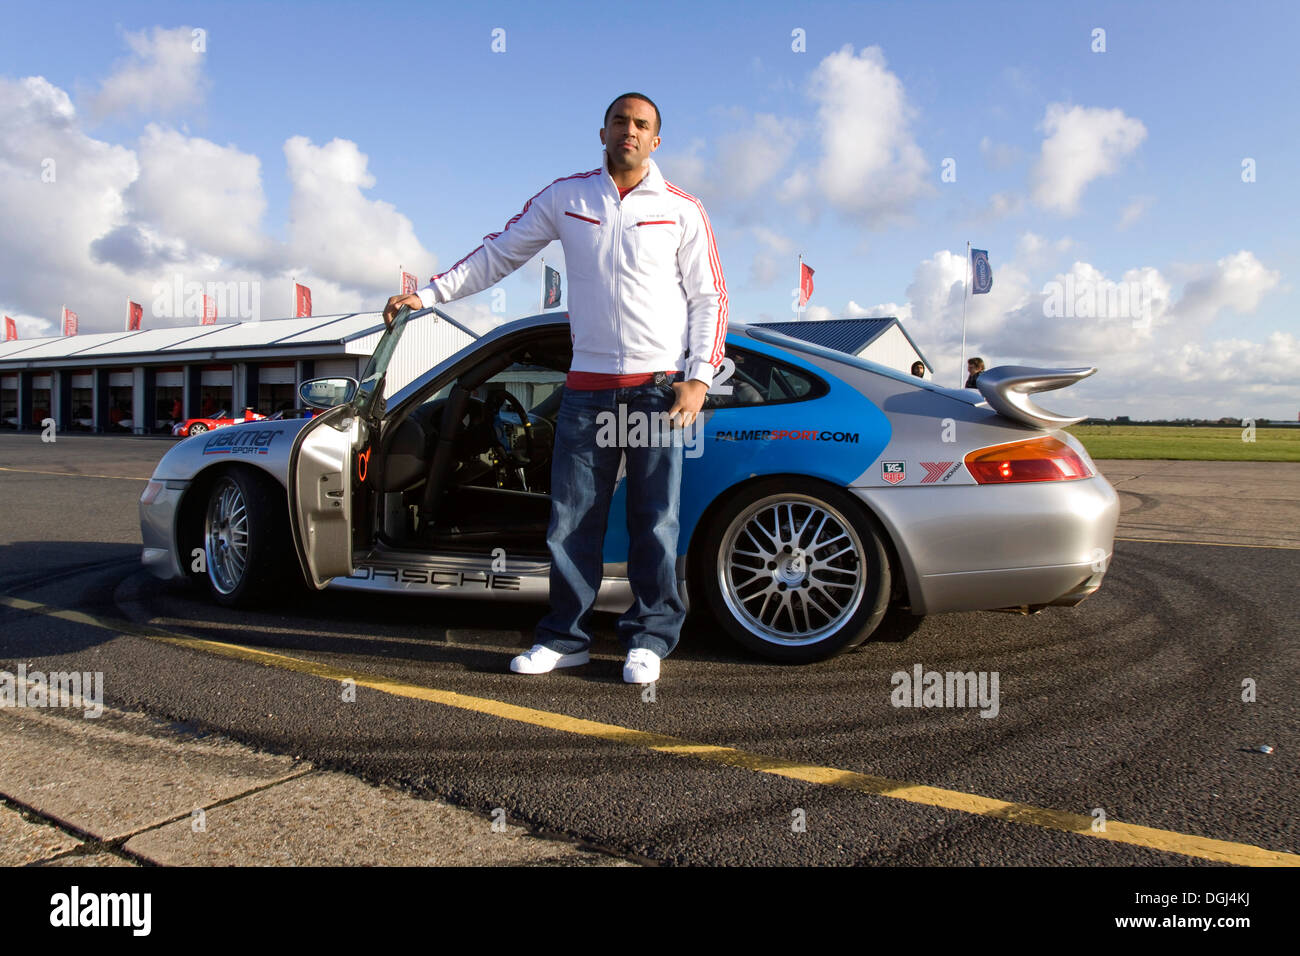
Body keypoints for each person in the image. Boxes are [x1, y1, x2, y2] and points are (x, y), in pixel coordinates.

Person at [382, 92, 726, 685]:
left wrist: (697, 378)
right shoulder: (567, 197)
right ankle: (565, 638)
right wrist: (428, 295)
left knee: (656, 518)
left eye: (642, 125)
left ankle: (649, 638)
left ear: (656, 140)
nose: (630, 131)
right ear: (603, 131)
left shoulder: (682, 209)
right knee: (571, 519)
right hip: (588, 389)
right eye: (621, 121)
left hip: (656, 390)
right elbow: (499, 254)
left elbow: (709, 297)